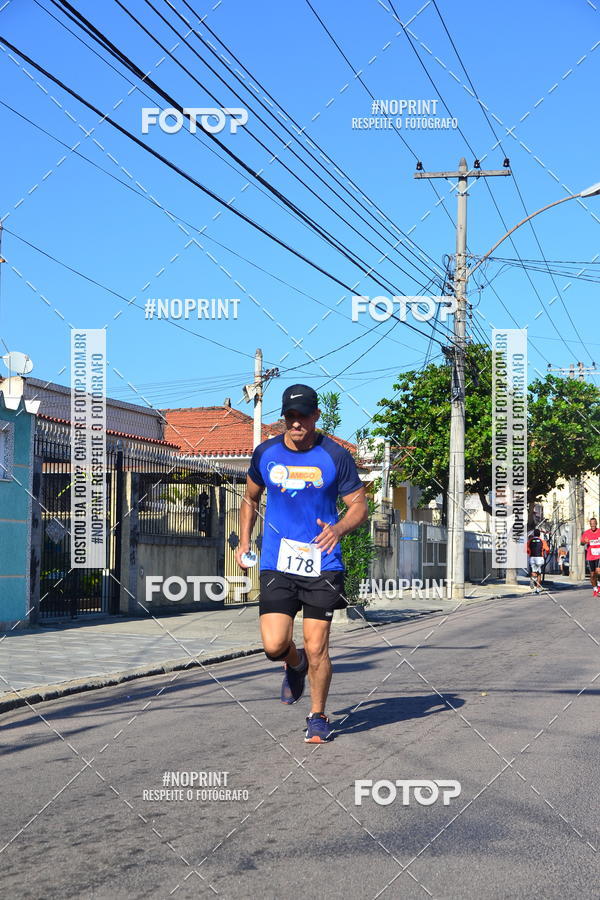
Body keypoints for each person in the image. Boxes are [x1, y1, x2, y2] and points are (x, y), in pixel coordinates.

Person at [236, 384, 368, 743]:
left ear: (315, 417)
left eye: (303, 417)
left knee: (317, 646)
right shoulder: (266, 453)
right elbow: (249, 498)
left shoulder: (334, 456)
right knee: (274, 645)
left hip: (323, 563)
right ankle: (294, 666)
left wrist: (338, 528)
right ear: (284, 418)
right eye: (290, 417)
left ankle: (318, 716)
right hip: (278, 562)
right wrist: (244, 542)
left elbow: (359, 505)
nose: (296, 424)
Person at [580, 517, 600, 595]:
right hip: (590, 556)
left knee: (598, 571)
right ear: (590, 524)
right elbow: (581, 543)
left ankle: (599, 585)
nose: (593, 525)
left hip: (599, 555)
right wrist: (584, 541)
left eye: (594, 523)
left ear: (596, 523)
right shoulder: (586, 533)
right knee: (592, 574)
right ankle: (595, 589)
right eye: (591, 524)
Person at [526, 528, 549, 593]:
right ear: (539, 534)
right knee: (539, 573)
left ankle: (532, 580)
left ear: (534, 534)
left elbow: (526, 549)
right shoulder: (542, 541)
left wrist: (530, 553)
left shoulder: (530, 541)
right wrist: (545, 554)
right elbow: (547, 549)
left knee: (533, 571)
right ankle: (538, 588)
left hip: (532, 558)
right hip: (540, 558)